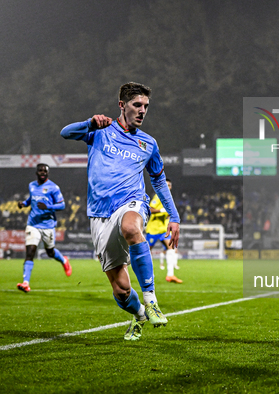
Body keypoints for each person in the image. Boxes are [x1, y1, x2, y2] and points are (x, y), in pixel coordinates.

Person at [60, 82, 180, 341]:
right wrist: (89, 123)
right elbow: (65, 133)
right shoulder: (99, 131)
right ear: (121, 105)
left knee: (130, 228)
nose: (142, 111)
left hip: (132, 202)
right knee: (121, 291)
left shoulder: (148, 144)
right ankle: (139, 314)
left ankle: (151, 301)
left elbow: (158, 181)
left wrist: (174, 216)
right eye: (137, 105)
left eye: (146, 106)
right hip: (99, 215)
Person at [16, 163, 71, 293]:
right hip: (33, 224)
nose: (42, 172)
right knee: (30, 252)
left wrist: (48, 207)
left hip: (48, 225)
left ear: (47, 173)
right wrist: (24, 203)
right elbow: (32, 199)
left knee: (50, 252)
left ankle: (64, 260)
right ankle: (26, 283)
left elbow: (62, 205)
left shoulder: (53, 188)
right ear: (36, 172)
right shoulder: (32, 185)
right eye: (40, 170)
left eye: (45, 171)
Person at [146, 178, 182, 283]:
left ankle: (170, 275)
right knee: (146, 251)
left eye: (169, 185)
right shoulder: (158, 197)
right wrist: (161, 211)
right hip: (153, 229)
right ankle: (144, 274)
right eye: (166, 185)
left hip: (163, 229)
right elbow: (150, 209)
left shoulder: (168, 199)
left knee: (171, 248)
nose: (168, 187)